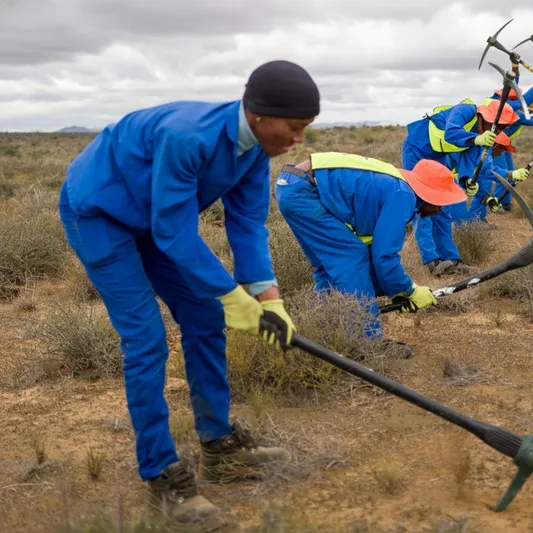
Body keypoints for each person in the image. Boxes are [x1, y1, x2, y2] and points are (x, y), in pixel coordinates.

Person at [58, 60, 320, 528]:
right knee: (146, 339)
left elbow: (247, 226)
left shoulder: (255, 151)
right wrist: (230, 295)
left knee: (203, 317)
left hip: (153, 221)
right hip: (99, 215)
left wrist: (269, 298)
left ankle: (218, 447)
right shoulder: (189, 136)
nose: (298, 139)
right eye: (295, 127)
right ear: (259, 114)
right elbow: (176, 233)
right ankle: (160, 473)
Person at [274, 152, 467, 357]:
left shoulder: (397, 185)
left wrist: (396, 291)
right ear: (427, 193)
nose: (440, 208)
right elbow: (384, 256)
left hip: (293, 185)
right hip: (305, 192)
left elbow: (372, 246)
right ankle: (366, 343)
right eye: (440, 200)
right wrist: (409, 290)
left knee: (331, 266)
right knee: (351, 258)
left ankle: (317, 326)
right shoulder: (403, 195)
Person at [400, 98, 526, 277]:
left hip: (438, 158)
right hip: (416, 149)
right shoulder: (465, 111)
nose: (498, 130)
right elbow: (451, 133)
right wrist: (477, 139)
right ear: (485, 116)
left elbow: (482, 166)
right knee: (423, 204)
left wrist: (509, 175)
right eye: (497, 125)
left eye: (502, 128)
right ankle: (431, 260)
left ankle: (452, 260)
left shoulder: (482, 135)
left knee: (442, 208)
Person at [487, 63, 533, 212]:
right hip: (494, 144)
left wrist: (515, 66)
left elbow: (513, 85)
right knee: (502, 174)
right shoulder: (505, 107)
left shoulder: (512, 109)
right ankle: (495, 203)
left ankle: (505, 202)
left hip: (504, 144)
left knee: (510, 171)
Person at [447, 131, 521, 228]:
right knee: (459, 218)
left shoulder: (481, 153)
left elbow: (479, 181)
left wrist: (488, 199)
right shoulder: (483, 152)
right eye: (502, 149)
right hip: (442, 175)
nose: (502, 153)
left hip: (448, 177)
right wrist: (511, 174)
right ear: (495, 145)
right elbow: (488, 170)